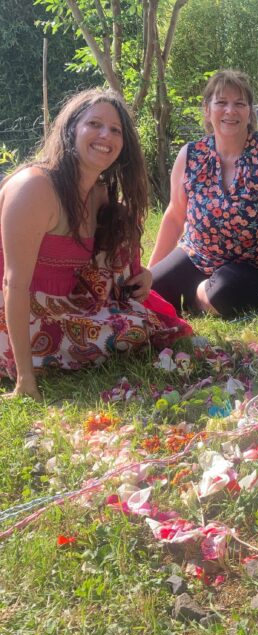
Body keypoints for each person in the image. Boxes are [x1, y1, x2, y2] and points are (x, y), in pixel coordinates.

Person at [0, 88, 189, 401]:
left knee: (140, 326)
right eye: (94, 124)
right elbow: (13, 284)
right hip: (12, 312)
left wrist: (143, 275)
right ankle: (34, 360)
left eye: (115, 130)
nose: (106, 136)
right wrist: (25, 379)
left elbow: (112, 256)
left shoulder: (99, 194)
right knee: (128, 334)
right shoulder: (35, 187)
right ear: (72, 128)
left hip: (65, 305)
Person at [149, 70, 258, 317]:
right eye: (221, 102)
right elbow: (175, 217)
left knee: (221, 294)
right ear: (207, 109)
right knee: (150, 292)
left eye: (239, 104)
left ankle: (198, 295)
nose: (230, 111)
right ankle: (198, 292)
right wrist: (150, 274)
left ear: (250, 112)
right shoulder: (191, 155)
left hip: (257, 267)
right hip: (199, 255)